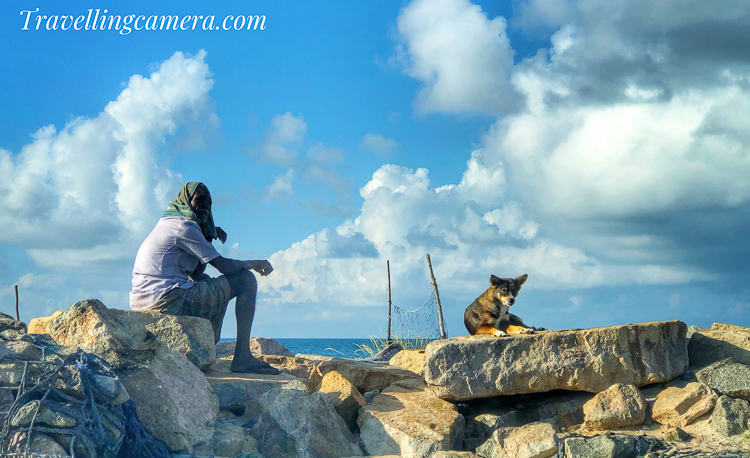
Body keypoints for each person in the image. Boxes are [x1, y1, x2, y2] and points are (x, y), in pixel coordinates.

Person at [129, 181, 280, 374]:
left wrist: (207, 235)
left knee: (206, 280)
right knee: (245, 280)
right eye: (199, 200)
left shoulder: (170, 223)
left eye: (208, 202)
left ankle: (208, 345)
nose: (204, 206)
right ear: (186, 201)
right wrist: (254, 263)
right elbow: (225, 267)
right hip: (166, 300)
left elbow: (196, 274)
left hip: (147, 299)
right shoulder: (184, 227)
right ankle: (242, 357)